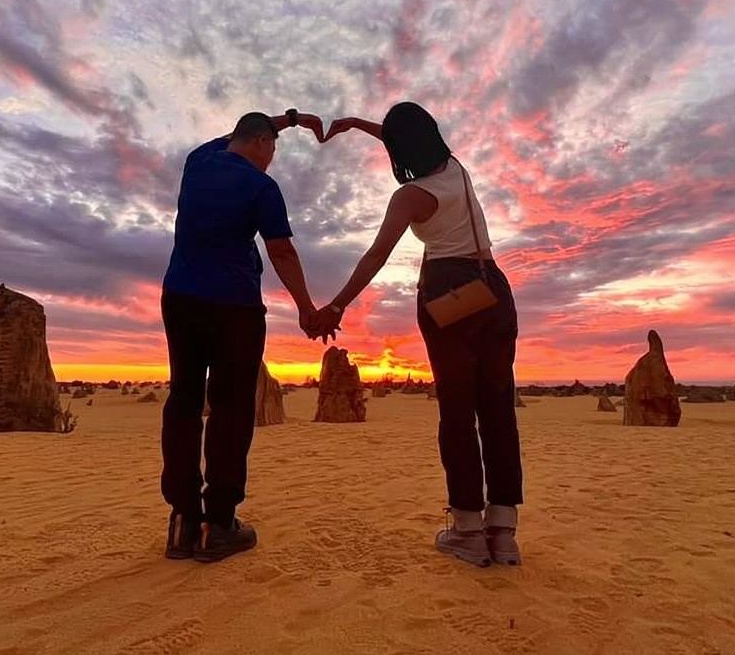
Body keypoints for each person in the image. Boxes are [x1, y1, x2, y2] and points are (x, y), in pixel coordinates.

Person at [317, 102, 522, 567]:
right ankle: (504, 533)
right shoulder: (456, 169)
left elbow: (374, 257)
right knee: (497, 411)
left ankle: (468, 530)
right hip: (494, 287)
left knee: (456, 413)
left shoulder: (411, 196)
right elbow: (407, 137)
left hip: (449, 291)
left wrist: (336, 305)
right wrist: (355, 125)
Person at [160, 109, 327, 562]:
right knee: (232, 408)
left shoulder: (199, 160)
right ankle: (219, 524)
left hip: (180, 297)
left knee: (184, 401)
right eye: (271, 149)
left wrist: (288, 120)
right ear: (260, 144)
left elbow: (240, 132)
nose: (270, 159)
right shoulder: (261, 186)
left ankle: (182, 522)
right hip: (234, 305)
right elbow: (282, 251)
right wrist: (307, 309)